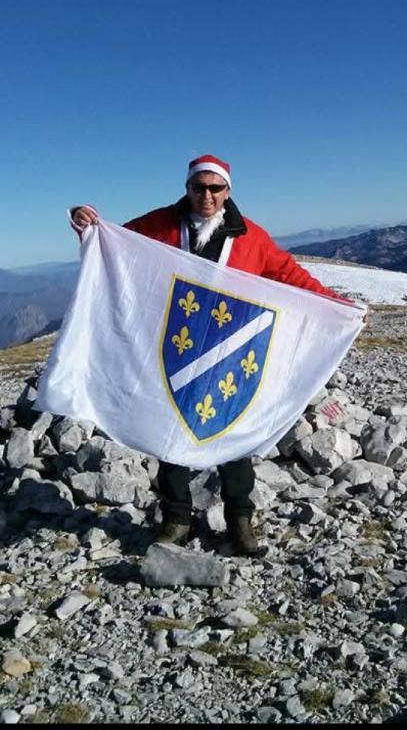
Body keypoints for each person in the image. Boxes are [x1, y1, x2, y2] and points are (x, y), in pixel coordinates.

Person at [70, 153, 357, 556]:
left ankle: (240, 521)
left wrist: (340, 305)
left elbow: (289, 274)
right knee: (170, 434)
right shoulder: (160, 225)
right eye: (199, 187)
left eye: (215, 188)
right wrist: (86, 224)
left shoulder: (251, 237)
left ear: (227, 190)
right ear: (187, 188)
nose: (207, 196)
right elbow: (115, 244)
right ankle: (176, 519)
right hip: (175, 349)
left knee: (231, 436)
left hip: (230, 354)